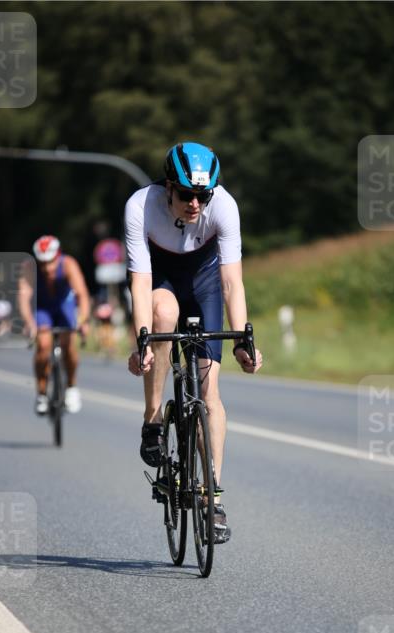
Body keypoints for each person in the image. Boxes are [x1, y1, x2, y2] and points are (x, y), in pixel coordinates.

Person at [125, 141, 262, 543]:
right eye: (186, 194)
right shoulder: (140, 206)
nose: (195, 204)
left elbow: (232, 281)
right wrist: (143, 343)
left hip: (204, 281)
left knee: (209, 389)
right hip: (160, 278)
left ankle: (211, 495)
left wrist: (242, 339)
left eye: (203, 195)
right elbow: (140, 281)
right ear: (168, 186)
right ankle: (153, 417)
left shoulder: (224, 205)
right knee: (164, 314)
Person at [18, 235, 90, 415]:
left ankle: (71, 387)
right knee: (43, 345)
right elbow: (23, 297)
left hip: (64, 305)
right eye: (42, 263)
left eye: (50, 262)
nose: (47, 267)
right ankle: (41, 393)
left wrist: (83, 320)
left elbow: (82, 294)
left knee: (69, 344)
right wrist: (29, 324)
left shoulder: (68, 264)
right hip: (42, 307)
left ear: (58, 256)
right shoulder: (28, 268)